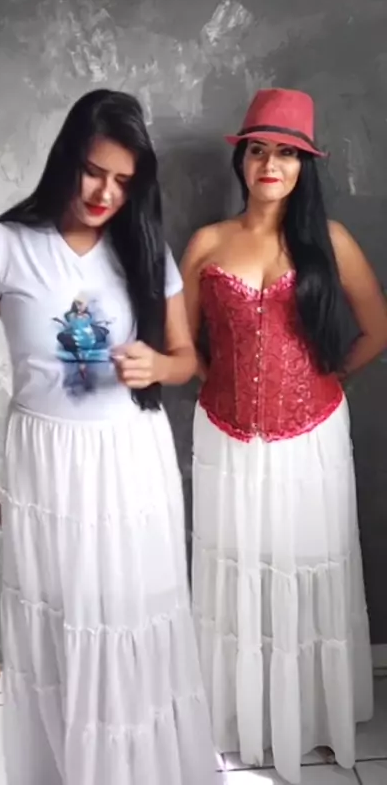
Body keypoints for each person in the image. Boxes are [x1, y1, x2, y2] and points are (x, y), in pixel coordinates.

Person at [0, 89, 217, 785]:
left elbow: (186, 358)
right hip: (48, 463)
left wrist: (158, 365)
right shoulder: (6, 243)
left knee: (130, 613)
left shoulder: (143, 248)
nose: (105, 193)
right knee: (61, 618)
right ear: (67, 158)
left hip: (130, 458)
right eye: (94, 172)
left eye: (124, 181)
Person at [181, 87, 387, 784]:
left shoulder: (330, 241)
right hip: (226, 435)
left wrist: (322, 382)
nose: (271, 164)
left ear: (305, 165)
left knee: (307, 562)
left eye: (287, 154)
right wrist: (215, 380)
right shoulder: (207, 243)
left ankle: (314, 717)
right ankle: (237, 718)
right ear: (242, 160)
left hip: (313, 437)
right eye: (259, 151)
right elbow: (180, 338)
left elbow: (376, 328)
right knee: (237, 568)